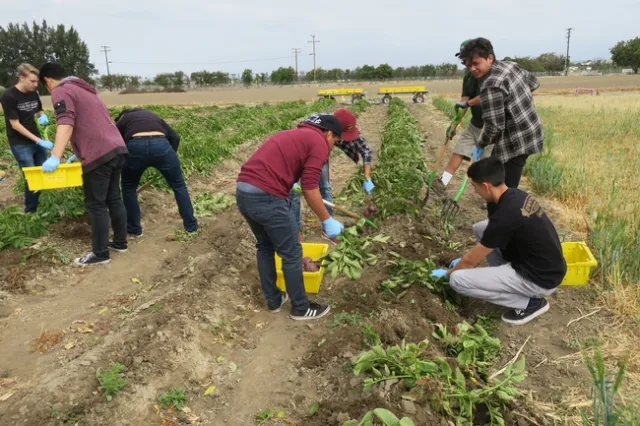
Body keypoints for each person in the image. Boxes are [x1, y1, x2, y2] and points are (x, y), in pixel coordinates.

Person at [431, 157, 567, 325]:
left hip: (540, 279)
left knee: (457, 280)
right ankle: (504, 276)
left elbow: (469, 261)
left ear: (486, 186)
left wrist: (446, 275)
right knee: (481, 228)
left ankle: (531, 303)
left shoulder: (505, 217)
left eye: (475, 186)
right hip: (545, 264)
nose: (475, 192)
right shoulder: (515, 195)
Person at [236, 114, 346, 321]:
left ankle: (274, 300)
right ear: (329, 133)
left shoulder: (294, 134)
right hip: (267, 196)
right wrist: (327, 220)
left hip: (244, 191)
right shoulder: (319, 143)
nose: (332, 147)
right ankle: (301, 308)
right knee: (292, 253)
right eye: (335, 142)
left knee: (265, 246)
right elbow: (310, 187)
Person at [38, 63, 129, 266]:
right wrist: (78, 153)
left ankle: (100, 253)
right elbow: (92, 122)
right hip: (117, 147)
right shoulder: (84, 89)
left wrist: (55, 156)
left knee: (96, 204)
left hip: (98, 154)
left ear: (47, 81)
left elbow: (66, 122)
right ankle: (121, 243)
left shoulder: (60, 91)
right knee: (114, 198)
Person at [459, 37, 543, 216]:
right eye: (468, 65)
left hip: (515, 141)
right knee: (502, 186)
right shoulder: (510, 65)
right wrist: (515, 101)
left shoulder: (490, 85)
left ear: (489, 58)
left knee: (500, 193)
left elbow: (494, 127)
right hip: (530, 131)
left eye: (475, 63)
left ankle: (501, 232)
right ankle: (504, 222)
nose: (472, 69)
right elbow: (535, 83)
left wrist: (479, 146)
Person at [290, 108, 374, 242]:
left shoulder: (347, 124)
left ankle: (328, 229)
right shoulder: (314, 126)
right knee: (293, 193)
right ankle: (295, 234)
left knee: (325, 188)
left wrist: (367, 177)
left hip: (322, 151)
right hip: (302, 154)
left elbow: (366, 151)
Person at [114, 108, 198, 240]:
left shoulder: (123, 120)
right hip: (161, 145)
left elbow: (114, 142)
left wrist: (123, 161)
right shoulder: (153, 116)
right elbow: (175, 137)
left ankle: (134, 230)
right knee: (179, 186)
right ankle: (191, 227)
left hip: (135, 146)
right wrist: (170, 158)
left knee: (128, 188)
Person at [433, 40, 492, 195]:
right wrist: (454, 125)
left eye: (470, 60)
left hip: (492, 126)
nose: (468, 64)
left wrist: (470, 104)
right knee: (459, 150)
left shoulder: (492, 76)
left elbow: (488, 96)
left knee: (487, 162)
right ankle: (443, 182)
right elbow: (464, 103)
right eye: (464, 61)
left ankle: (493, 194)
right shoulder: (469, 78)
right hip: (475, 124)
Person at [0, 64, 53, 213]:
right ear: (22, 78)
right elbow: (15, 125)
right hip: (20, 144)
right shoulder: (9, 96)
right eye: (32, 81)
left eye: (37, 82)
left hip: (36, 138)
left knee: (44, 173)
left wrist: (42, 116)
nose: (36, 85)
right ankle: (31, 211)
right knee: (31, 177)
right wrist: (38, 141)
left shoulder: (33, 93)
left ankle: (45, 206)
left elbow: (39, 110)